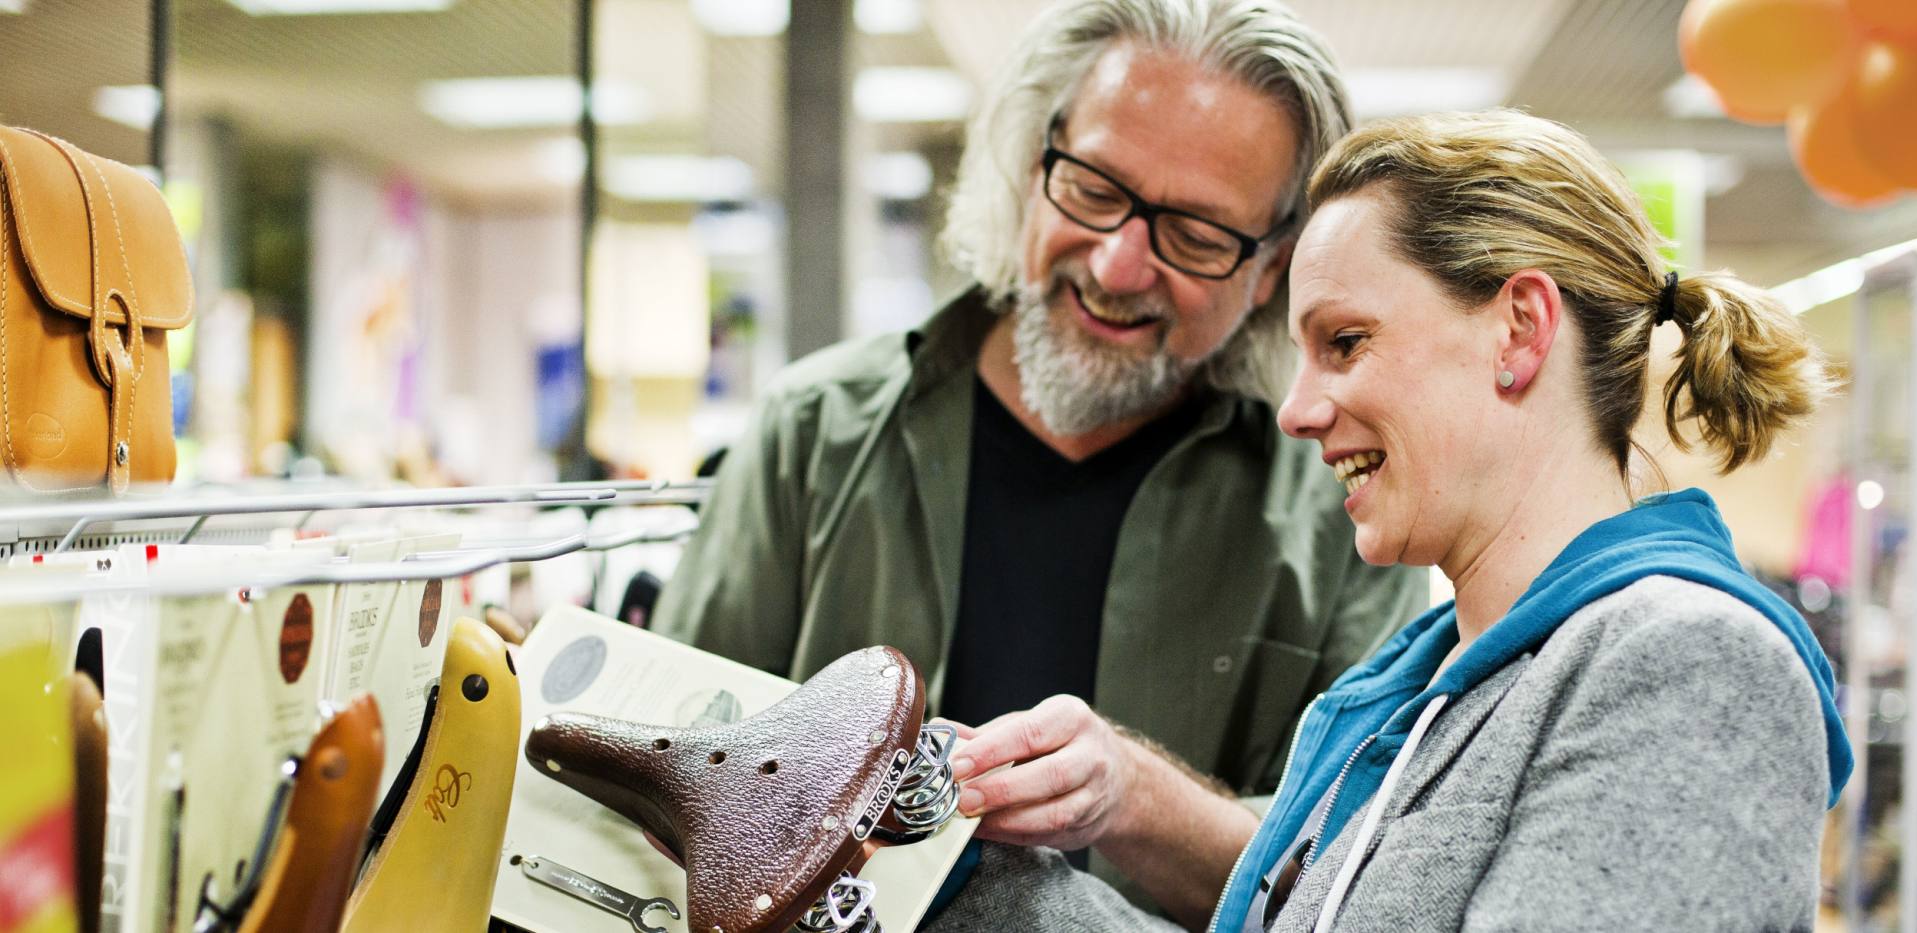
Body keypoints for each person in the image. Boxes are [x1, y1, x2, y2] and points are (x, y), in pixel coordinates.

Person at [928, 108, 1852, 931]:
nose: (1297, 409)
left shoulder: (1685, 664)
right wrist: (956, 871)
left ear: (1520, 329)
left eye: (1346, 342)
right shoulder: (1421, 685)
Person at [653, 0, 1427, 815]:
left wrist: (1139, 804)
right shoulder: (812, 433)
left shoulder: (1338, 512)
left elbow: (1348, 866)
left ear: (1271, 271)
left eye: (1197, 234)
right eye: (1093, 189)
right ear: (1033, 167)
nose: (1121, 266)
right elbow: (669, 767)